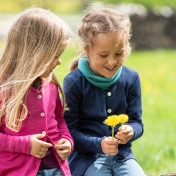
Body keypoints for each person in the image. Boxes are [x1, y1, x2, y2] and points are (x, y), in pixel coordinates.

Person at [63, 4, 146, 176]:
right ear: (86, 49)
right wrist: (98, 144)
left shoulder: (131, 78)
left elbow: (137, 123)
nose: (111, 62)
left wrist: (131, 131)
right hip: (87, 160)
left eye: (119, 53)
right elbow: (70, 133)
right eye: (103, 55)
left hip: (123, 157)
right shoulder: (73, 82)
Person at [0, 7, 74, 176]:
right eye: (55, 56)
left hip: (56, 168)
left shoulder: (51, 85)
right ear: (34, 54)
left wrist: (66, 140)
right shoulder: (4, 89)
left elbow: (59, 119)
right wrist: (25, 145)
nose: (59, 62)